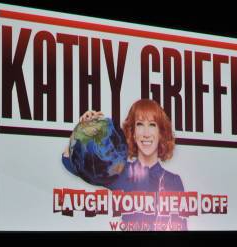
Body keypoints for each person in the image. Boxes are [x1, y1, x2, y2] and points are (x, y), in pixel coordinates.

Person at [62, 99, 186, 230]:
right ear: (132, 133)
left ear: (161, 132)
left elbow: (182, 226)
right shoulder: (120, 172)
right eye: (139, 124)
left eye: (152, 125)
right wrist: (81, 129)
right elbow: (67, 160)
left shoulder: (174, 181)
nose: (146, 133)